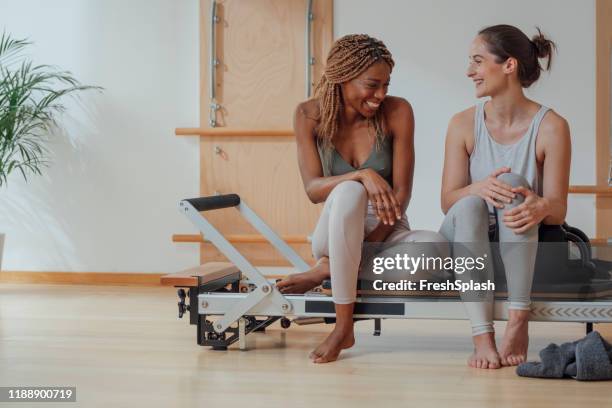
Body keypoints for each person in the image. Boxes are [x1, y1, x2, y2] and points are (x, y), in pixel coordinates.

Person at [276, 34, 446, 363]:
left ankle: (329, 272)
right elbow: (313, 189)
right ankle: (343, 327)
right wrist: (362, 175)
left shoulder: (398, 111)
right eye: (372, 84)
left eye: (386, 84)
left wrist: (359, 253)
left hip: (388, 230)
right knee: (351, 191)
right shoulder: (308, 115)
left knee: (434, 248)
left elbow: (401, 195)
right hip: (337, 228)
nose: (381, 94)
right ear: (343, 77)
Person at [440, 25, 571, 369]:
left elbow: (558, 210)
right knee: (469, 203)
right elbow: (448, 201)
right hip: (469, 236)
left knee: (514, 183)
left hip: (520, 243)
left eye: (478, 61)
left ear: (508, 66)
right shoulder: (462, 124)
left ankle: (518, 319)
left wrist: (541, 205)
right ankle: (481, 336)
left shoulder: (552, 127)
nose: (470, 71)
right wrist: (477, 188)